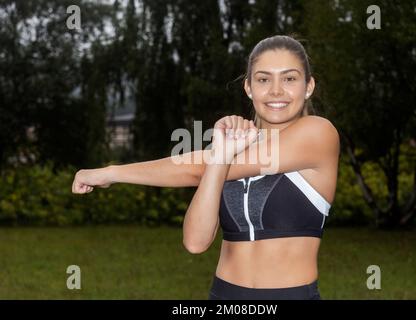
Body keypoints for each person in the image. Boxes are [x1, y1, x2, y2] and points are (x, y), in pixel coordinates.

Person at [72, 35, 340, 300]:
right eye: (263, 79)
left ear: (308, 86)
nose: (276, 90)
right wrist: (222, 152)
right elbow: (195, 242)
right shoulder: (230, 150)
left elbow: (193, 168)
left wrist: (111, 172)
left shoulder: (318, 133)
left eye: (289, 78)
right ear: (248, 87)